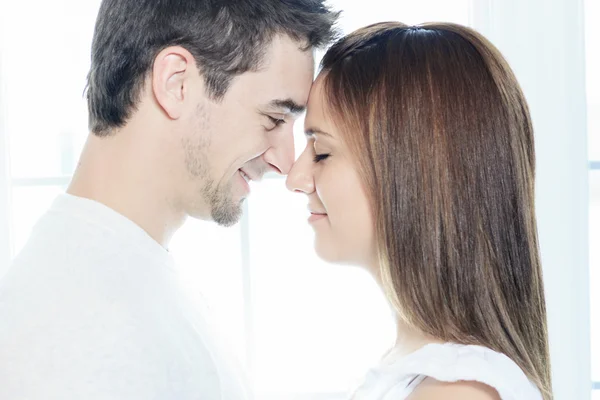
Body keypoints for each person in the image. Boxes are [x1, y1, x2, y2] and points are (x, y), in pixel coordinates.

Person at [0, 1, 339, 398]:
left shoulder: (115, 282)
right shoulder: (81, 333)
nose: (285, 162)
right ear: (176, 83)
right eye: (274, 119)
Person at [287, 22, 552, 400]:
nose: (296, 178)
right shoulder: (426, 376)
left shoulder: (458, 392)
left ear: (412, 169)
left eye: (322, 152)